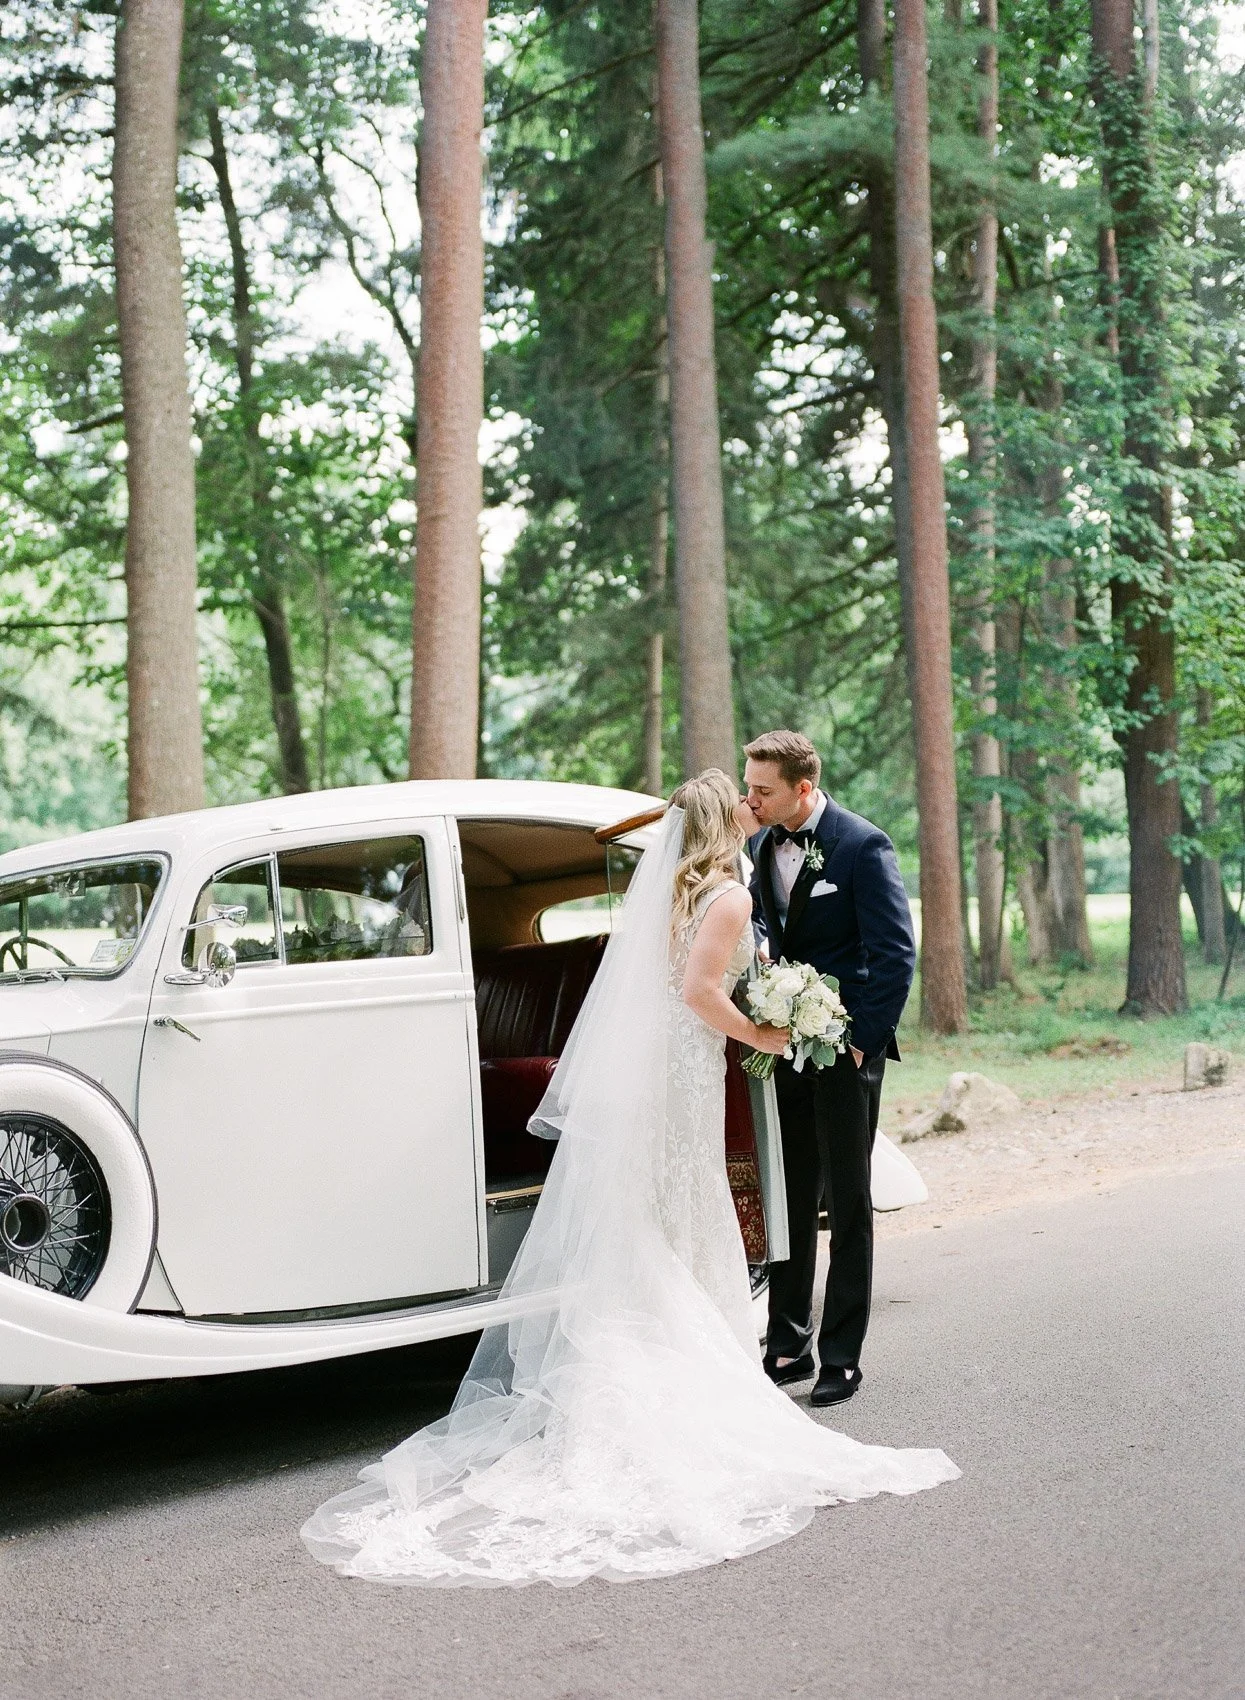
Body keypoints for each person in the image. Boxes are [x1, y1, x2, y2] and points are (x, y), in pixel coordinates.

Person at [301, 770, 956, 1587]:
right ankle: (703, 1368)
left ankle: (716, 1349)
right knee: (682, 1214)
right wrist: (765, 1028)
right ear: (724, 826)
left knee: (656, 1219)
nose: (754, 810)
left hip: (665, 1077)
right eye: (743, 803)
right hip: (683, 1079)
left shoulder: (675, 898)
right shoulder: (726, 898)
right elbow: (698, 992)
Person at [743, 730, 916, 1408]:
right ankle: (786, 1344)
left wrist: (858, 1041)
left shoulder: (861, 845)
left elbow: (894, 954)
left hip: (845, 1051)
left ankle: (841, 1356)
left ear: (802, 790)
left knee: (846, 1204)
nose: (749, 798)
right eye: (749, 786)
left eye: (762, 789)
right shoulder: (761, 845)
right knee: (787, 1195)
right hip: (783, 1046)